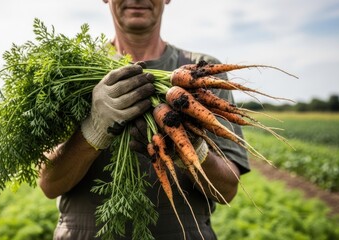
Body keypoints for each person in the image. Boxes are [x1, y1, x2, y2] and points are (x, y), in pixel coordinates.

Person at [38, 0, 250, 239]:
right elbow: (49, 184)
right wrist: (93, 130)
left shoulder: (202, 70)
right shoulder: (69, 72)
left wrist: (191, 150)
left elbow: (227, 191)